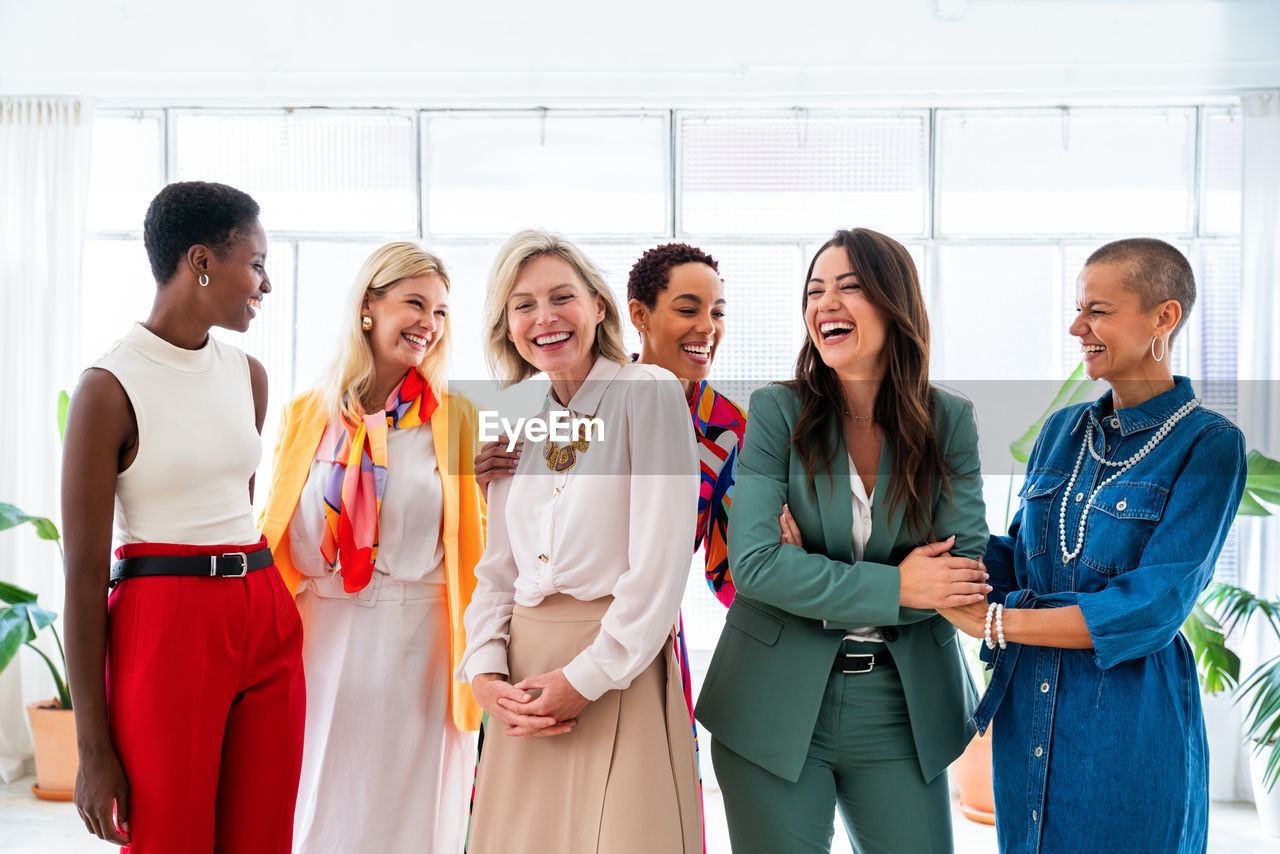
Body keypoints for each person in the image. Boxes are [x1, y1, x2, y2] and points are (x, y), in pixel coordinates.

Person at [939, 238, 1247, 854]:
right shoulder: (1063, 431)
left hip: (1126, 721)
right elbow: (1021, 555)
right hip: (1029, 706)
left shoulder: (1210, 445)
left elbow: (1153, 607)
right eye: (1080, 309)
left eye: (1099, 310)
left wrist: (997, 624)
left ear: (1164, 317)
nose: (1078, 327)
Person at [695, 227, 990, 854]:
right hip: (770, 703)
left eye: (849, 287)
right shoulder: (777, 411)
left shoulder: (950, 422)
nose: (825, 303)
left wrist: (806, 573)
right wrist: (899, 583)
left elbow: (962, 573)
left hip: (903, 709)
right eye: (814, 291)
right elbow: (753, 566)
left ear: (894, 303)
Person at [62, 181, 304, 852]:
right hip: (166, 620)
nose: (266, 283)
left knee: (262, 837)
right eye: (256, 263)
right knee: (171, 838)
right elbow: (82, 576)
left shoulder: (249, 375)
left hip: (263, 610)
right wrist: (92, 748)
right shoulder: (108, 388)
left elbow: (234, 504)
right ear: (202, 261)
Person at [457, 229, 702, 854]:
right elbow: (498, 573)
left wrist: (584, 679)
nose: (545, 318)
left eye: (561, 297)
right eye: (523, 305)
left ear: (598, 305)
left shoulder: (648, 395)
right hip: (521, 685)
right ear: (507, 326)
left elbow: (659, 569)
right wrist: (485, 671)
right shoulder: (522, 425)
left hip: (609, 671)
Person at [257, 242, 485, 853]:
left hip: (423, 648)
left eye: (440, 312)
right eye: (415, 303)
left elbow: (482, 543)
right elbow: (276, 531)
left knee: (409, 819)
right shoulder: (307, 414)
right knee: (316, 811)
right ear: (368, 307)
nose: (429, 325)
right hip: (321, 642)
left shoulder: (457, 418)